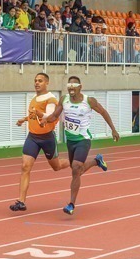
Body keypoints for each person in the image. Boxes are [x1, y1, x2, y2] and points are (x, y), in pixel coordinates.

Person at [41, 76, 120, 215]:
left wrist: (113, 129)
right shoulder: (64, 100)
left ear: (80, 87)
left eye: (74, 86)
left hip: (83, 140)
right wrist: (45, 120)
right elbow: (54, 116)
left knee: (76, 167)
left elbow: (103, 112)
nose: (71, 88)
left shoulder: (89, 101)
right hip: (70, 141)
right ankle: (96, 161)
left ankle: (71, 204)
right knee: (76, 170)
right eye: (69, 86)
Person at [10, 73, 70, 212]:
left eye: (40, 81)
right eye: (35, 80)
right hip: (32, 137)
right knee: (25, 166)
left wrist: (39, 114)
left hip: (47, 138)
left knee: (57, 166)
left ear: (47, 83)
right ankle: (21, 201)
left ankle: (73, 161)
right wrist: (24, 119)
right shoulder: (34, 99)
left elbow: (50, 116)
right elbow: (34, 115)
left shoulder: (51, 99)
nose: (37, 83)